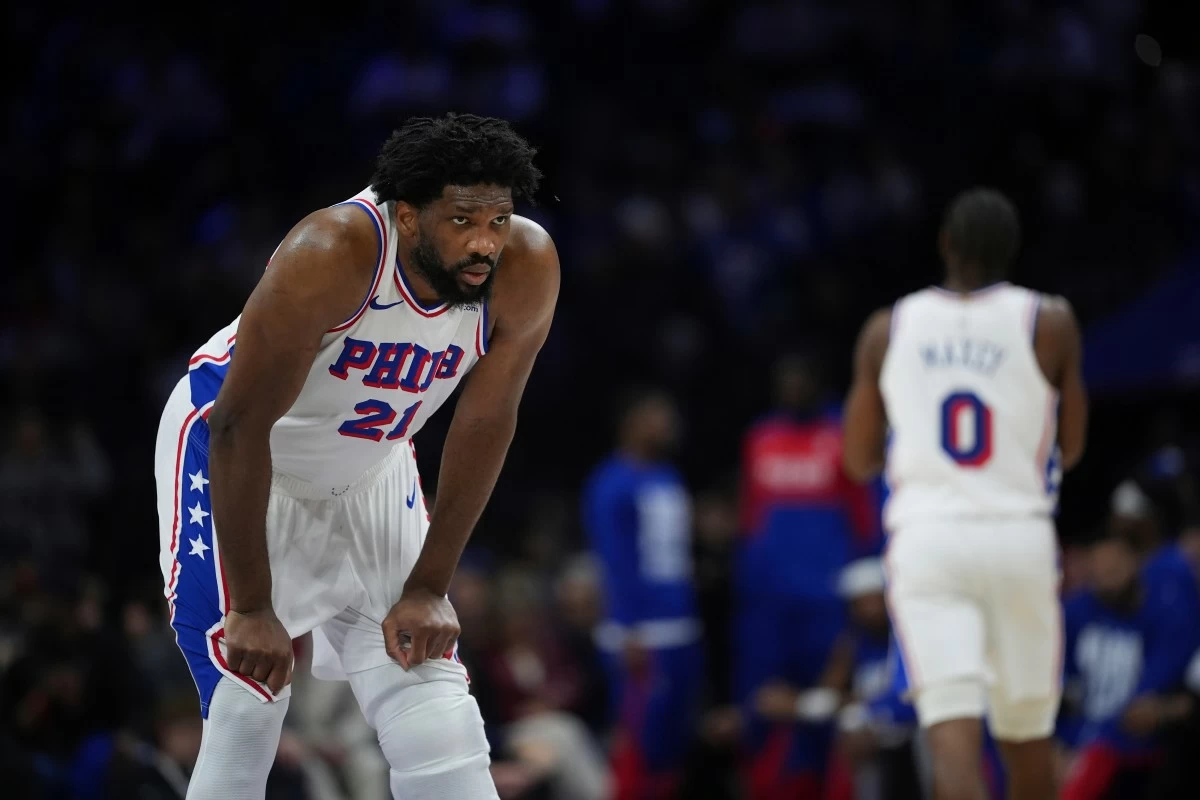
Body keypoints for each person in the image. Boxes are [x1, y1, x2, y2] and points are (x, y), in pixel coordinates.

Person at [153, 113, 559, 799]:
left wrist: (429, 585)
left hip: (372, 465)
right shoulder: (330, 252)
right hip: (246, 454)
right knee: (247, 701)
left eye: (497, 220)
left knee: (436, 710)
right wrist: (253, 604)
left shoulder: (526, 265)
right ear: (406, 218)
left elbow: (487, 420)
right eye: (462, 222)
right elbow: (239, 428)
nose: (485, 243)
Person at [842, 187, 1088, 800]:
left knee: (953, 741)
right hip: (1018, 531)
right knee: (1028, 735)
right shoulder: (1049, 319)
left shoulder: (888, 327)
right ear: (1013, 250)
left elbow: (857, 457)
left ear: (945, 243)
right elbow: (1073, 446)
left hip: (929, 539)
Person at [582, 389, 704, 799]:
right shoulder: (611, 482)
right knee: (639, 747)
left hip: (679, 624)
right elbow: (612, 561)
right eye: (658, 416)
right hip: (640, 634)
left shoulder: (669, 475)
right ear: (632, 422)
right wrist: (626, 628)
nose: (669, 426)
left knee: (674, 746)